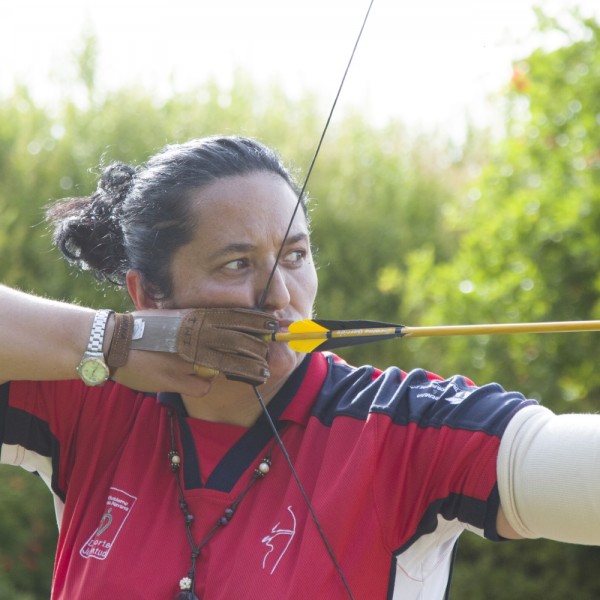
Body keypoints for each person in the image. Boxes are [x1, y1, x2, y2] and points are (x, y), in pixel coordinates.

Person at [1, 135, 600, 600]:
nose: (280, 296)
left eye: (295, 256)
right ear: (150, 295)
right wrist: (110, 341)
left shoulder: (403, 427)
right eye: (237, 265)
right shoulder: (92, 394)